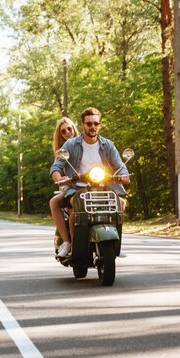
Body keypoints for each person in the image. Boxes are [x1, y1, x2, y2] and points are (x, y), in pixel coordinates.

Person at [50, 107, 130, 258]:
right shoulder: (70, 145)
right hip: (77, 188)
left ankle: (115, 244)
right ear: (82, 125)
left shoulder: (108, 145)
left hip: (104, 187)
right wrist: (59, 178)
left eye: (96, 123)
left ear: (99, 125)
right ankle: (71, 245)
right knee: (76, 209)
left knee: (121, 203)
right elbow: (56, 166)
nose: (92, 127)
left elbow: (120, 166)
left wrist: (124, 175)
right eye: (89, 124)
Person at [49, 117, 79, 254]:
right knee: (54, 202)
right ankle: (67, 242)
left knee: (119, 201)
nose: (67, 132)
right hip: (71, 188)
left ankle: (115, 243)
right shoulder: (62, 151)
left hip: (93, 185)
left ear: (74, 128)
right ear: (60, 135)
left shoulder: (87, 144)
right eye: (63, 131)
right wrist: (61, 179)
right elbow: (55, 169)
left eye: (69, 128)